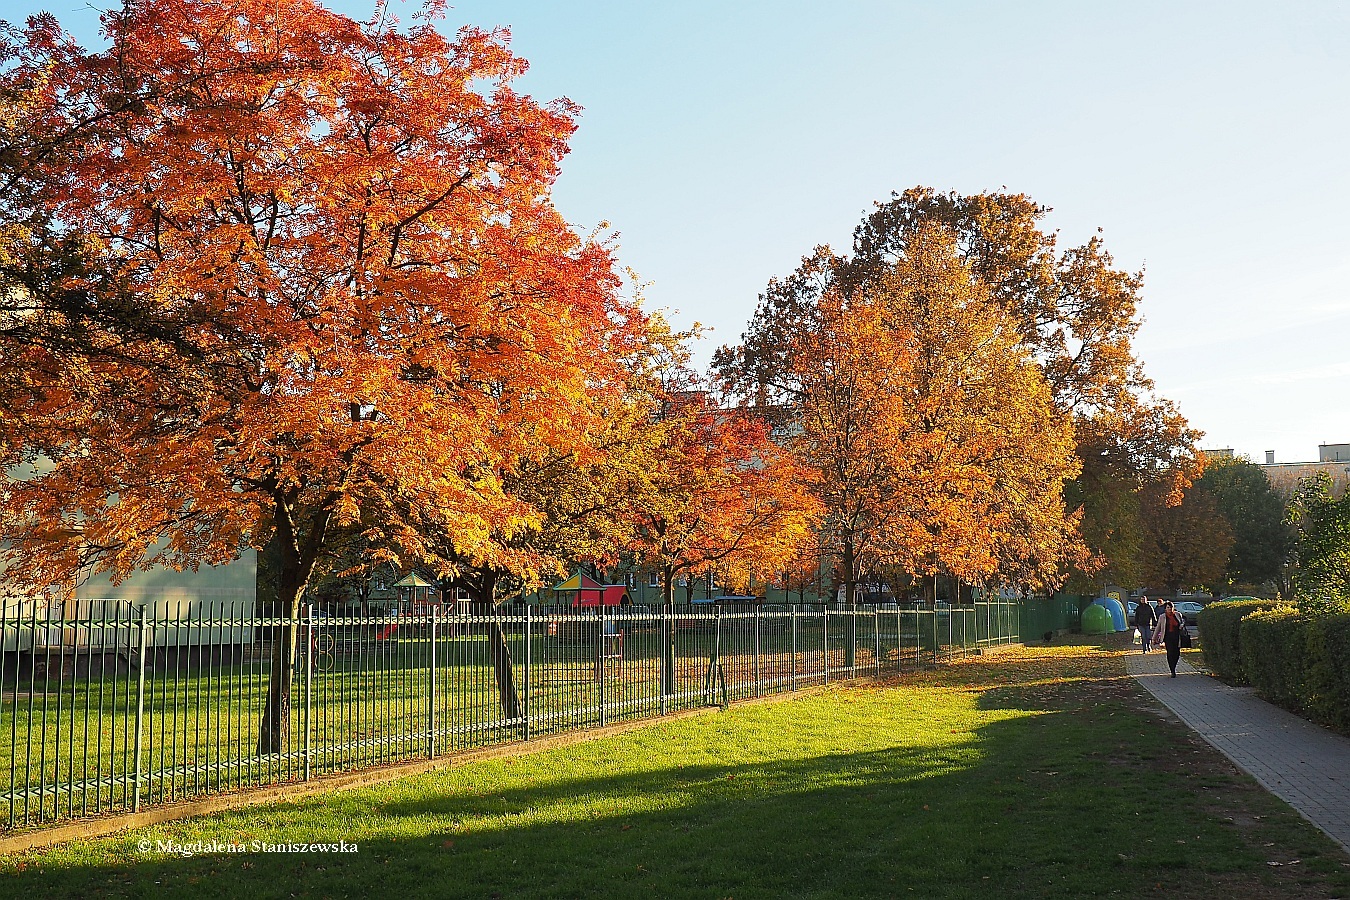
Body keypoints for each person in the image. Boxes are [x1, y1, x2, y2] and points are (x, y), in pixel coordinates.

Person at [1158, 600, 1186, 677]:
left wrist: (1181, 625)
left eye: (1171, 607)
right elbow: (1158, 627)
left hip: (1177, 636)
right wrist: (1154, 638)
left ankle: (1174, 665)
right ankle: (1172, 670)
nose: (1170, 609)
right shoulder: (1162, 617)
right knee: (1170, 653)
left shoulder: (1177, 614)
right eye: (1168, 607)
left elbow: (1183, 621)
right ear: (1165, 608)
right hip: (1168, 637)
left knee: (1177, 653)